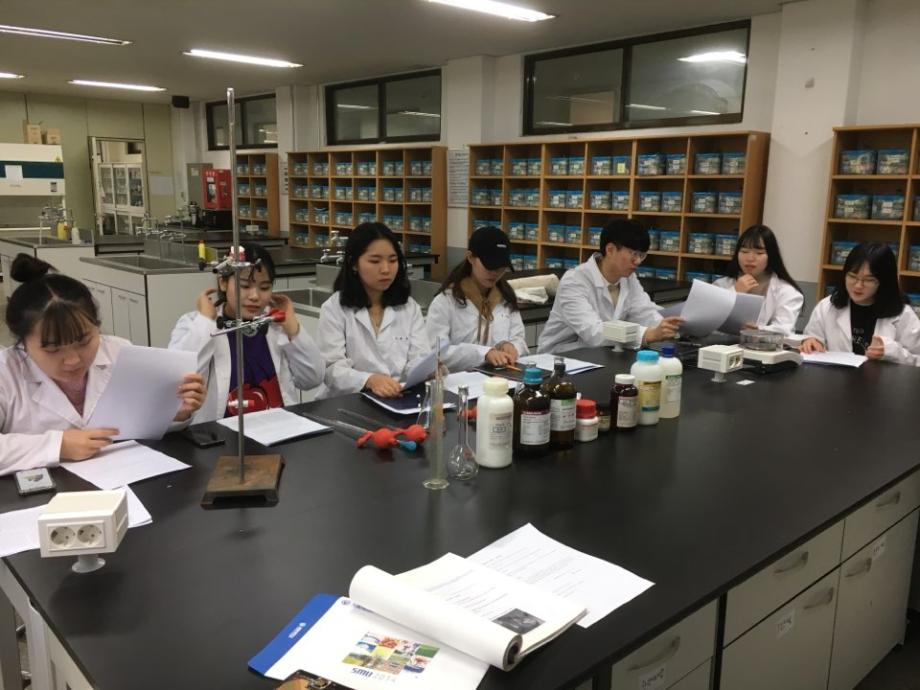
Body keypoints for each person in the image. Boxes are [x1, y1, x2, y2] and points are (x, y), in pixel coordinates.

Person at [0, 255, 206, 475]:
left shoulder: (119, 352)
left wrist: (174, 412)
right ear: (23, 343)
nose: (73, 360)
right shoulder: (6, 372)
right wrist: (58, 445)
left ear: (96, 325)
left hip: (120, 477)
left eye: (84, 341)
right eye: (53, 349)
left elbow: (137, 421)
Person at [169, 242, 324, 421]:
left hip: (278, 428)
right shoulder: (194, 324)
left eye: (264, 288)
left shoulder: (275, 324)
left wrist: (293, 328)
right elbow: (179, 387)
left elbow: (312, 379)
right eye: (244, 286)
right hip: (222, 433)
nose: (255, 296)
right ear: (223, 282)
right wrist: (205, 321)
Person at [316, 222, 429, 398]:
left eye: (393, 260)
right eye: (375, 261)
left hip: (397, 398)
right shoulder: (334, 309)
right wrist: (369, 380)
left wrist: (427, 369)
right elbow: (331, 369)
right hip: (347, 401)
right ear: (354, 263)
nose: (386, 269)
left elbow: (418, 357)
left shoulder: (409, 307)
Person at [537, 219, 683, 353]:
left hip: (602, 354)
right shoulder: (574, 281)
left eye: (642, 255)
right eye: (633, 254)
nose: (638, 261)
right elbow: (593, 332)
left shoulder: (628, 278)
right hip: (560, 358)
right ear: (610, 249)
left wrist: (670, 326)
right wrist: (647, 334)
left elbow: (644, 312)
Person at [426, 226, 528, 372]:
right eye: (489, 266)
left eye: (501, 268)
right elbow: (436, 352)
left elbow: (519, 338)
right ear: (470, 257)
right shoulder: (446, 301)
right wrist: (483, 354)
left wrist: (512, 346)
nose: (495, 273)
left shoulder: (506, 297)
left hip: (500, 377)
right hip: (460, 379)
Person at [802, 242, 920, 364]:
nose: (858, 286)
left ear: (884, 281)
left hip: (884, 377)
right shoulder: (826, 307)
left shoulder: (903, 315)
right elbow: (812, 339)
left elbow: (917, 360)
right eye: (852, 276)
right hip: (835, 375)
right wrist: (811, 342)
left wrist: (893, 352)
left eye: (869, 280)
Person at [712, 225, 804, 335]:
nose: (750, 258)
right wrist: (734, 292)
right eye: (744, 251)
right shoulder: (722, 284)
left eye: (759, 253)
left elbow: (784, 329)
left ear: (771, 256)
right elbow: (708, 319)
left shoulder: (787, 291)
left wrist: (757, 329)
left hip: (766, 345)